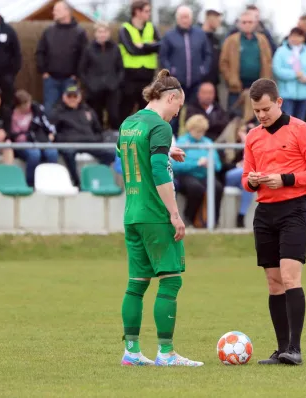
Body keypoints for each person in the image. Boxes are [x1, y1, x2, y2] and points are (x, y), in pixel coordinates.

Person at [117, 69, 203, 367]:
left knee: (136, 284)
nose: (175, 115)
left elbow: (134, 156)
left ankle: (131, 352)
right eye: (176, 109)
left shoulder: (129, 123)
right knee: (170, 281)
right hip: (155, 215)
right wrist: (175, 214)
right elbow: (155, 170)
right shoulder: (160, 126)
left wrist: (166, 151)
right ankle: (166, 353)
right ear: (169, 97)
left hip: (132, 214)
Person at [242, 78, 306, 365]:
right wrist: (253, 181)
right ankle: (281, 350)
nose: (262, 115)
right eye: (257, 111)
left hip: (294, 210)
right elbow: (245, 178)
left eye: (266, 108)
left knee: (291, 277)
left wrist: (285, 179)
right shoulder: (252, 137)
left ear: (279, 102)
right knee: (273, 283)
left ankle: (295, 348)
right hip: (264, 213)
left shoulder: (302, 130)